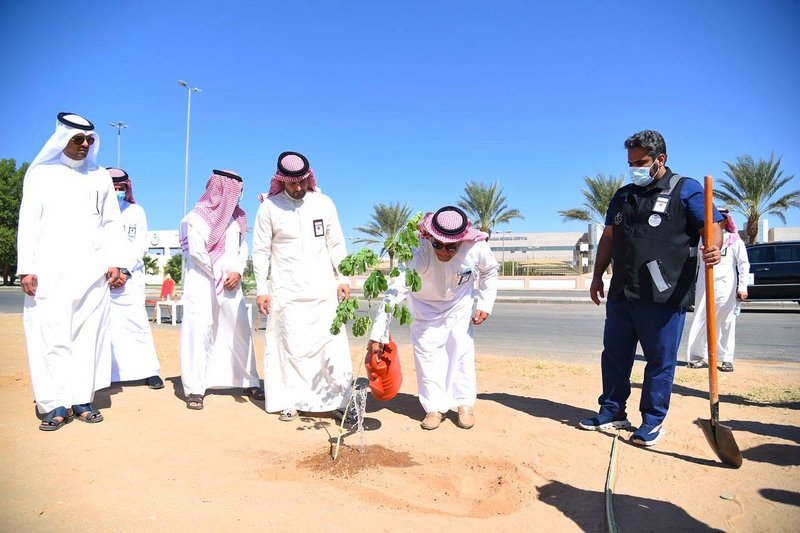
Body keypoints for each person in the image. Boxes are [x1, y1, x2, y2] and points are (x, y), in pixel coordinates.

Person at [579, 129, 722, 446]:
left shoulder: (686, 190)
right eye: (631, 162)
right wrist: (597, 274)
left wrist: (715, 245)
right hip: (622, 292)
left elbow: (712, 223)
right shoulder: (624, 195)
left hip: (663, 293)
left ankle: (652, 422)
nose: (635, 168)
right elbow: (610, 237)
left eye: (641, 162)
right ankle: (612, 411)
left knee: (659, 360)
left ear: (661, 159)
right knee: (615, 356)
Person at [17, 112, 124, 430]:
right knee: (50, 335)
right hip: (50, 270)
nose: (84, 145)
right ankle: (53, 402)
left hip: (92, 271)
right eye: (78, 139)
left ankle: (80, 398)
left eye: (90, 140)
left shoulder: (100, 176)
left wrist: (115, 262)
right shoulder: (41, 175)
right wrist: (27, 267)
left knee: (87, 336)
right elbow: (29, 223)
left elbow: (111, 222)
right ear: (63, 139)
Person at [367, 205, 499, 430]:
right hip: (425, 309)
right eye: (438, 245)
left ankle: (465, 405)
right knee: (427, 357)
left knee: (461, 351)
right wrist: (378, 333)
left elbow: (490, 270)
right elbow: (395, 290)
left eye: (451, 247)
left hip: (458, 305)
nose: (444, 252)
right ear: (430, 237)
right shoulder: (418, 250)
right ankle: (433, 408)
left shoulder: (476, 247)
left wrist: (485, 303)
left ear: (462, 240)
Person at [251, 151, 353, 421]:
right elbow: (260, 251)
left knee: (330, 344)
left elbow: (336, 243)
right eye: (293, 183)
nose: (299, 188)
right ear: (281, 180)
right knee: (289, 346)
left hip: (322, 289)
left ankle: (337, 400)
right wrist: (262, 288)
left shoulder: (324, 203)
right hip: (286, 290)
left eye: (303, 182)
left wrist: (342, 278)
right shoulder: (269, 208)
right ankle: (290, 401)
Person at [179, 169, 262, 410]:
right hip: (202, 280)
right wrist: (217, 273)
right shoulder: (194, 218)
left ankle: (247, 380)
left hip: (230, 283)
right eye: (234, 190)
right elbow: (196, 251)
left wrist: (237, 271)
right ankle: (196, 388)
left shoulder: (237, 219)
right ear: (220, 189)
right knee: (200, 329)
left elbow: (240, 249)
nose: (238, 195)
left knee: (238, 329)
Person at [107, 168, 164, 389]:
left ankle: (149, 371)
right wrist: (108, 271)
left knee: (137, 324)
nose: (118, 192)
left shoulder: (136, 211)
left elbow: (140, 244)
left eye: (121, 188)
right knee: (105, 327)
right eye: (114, 188)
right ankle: (107, 374)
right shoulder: (95, 212)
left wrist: (124, 271)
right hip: (104, 279)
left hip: (130, 278)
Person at [686, 208, 750, 372]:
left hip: (726, 286)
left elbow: (743, 264)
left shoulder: (735, 240)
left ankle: (726, 358)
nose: (717, 222)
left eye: (720, 219)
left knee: (726, 321)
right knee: (701, 318)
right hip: (704, 285)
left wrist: (742, 287)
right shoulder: (702, 239)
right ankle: (697, 356)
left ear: (726, 220)